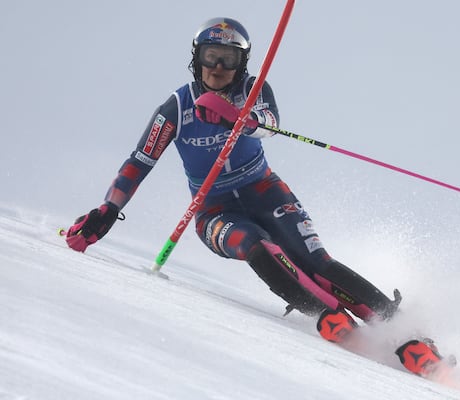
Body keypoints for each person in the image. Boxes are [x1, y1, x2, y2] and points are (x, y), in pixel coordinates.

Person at [65, 17, 401, 344]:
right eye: (210, 56)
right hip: (214, 211)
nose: (218, 67)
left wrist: (238, 119)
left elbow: (270, 124)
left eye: (229, 59)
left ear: (242, 63)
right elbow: (139, 162)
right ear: (196, 59)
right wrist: (108, 209)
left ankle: (401, 328)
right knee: (254, 243)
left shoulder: (252, 89)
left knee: (316, 262)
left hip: (265, 190)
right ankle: (323, 314)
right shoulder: (176, 107)